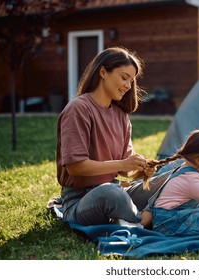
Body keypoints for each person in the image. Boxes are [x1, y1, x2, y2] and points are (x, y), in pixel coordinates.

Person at [56, 46, 158, 227]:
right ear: (103, 72)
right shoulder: (78, 109)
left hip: (117, 190)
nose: (128, 86)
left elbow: (126, 171)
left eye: (131, 81)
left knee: (172, 176)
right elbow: (75, 167)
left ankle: (133, 216)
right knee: (111, 193)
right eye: (124, 77)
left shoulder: (121, 116)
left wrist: (142, 170)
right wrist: (122, 164)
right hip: (81, 201)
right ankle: (142, 220)